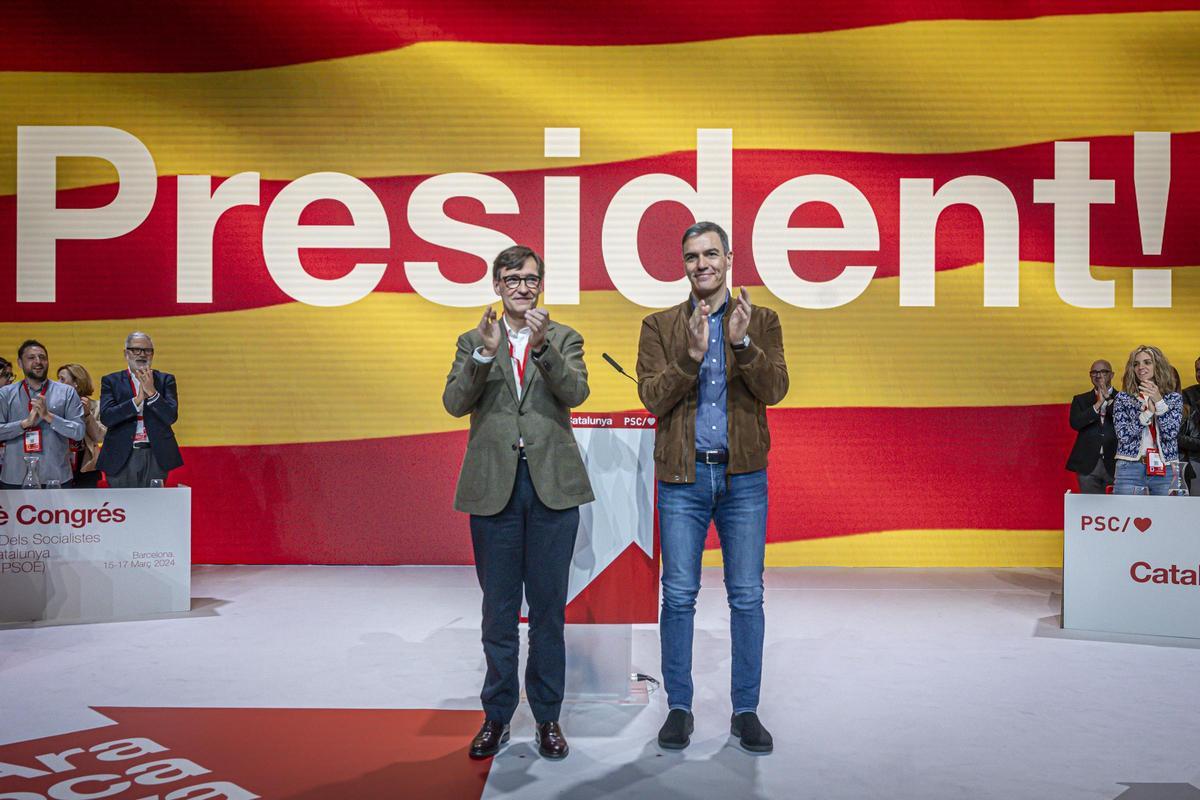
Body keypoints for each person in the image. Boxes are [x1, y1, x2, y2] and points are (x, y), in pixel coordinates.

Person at [636, 221, 789, 754]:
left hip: (744, 478)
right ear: (684, 264)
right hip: (683, 479)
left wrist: (741, 342)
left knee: (747, 597)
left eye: (710, 254)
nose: (701, 264)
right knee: (678, 597)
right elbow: (653, 398)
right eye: (691, 256)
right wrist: (692, 356)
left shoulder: (762, 320)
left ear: (728, 259)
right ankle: (679, 707)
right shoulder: (659, 326)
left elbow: (776, 389)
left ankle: (745, 711)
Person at [443, 245, 593, 761]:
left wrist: (546, 345)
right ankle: (497, 716)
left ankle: (548, 718)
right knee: (499, 612)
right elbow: (454, 403)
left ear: (541, 284)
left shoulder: (565, 337)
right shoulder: (472, 340)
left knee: (549, 612)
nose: (522, 287)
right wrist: (485, 355)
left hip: (552, 486)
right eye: (511, 278)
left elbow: (576, 392)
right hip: (494, 490)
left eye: (530, 279)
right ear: (497, 284)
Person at [97, 332, 183, 487]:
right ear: (126, 353)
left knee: (153, 506)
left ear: (153, 354)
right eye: (136, 350)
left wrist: (152, 392)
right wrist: (137, 400)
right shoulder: (111, 381)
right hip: (121, 454)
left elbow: (170, 417)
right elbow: (107, 417)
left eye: (147, 350)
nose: (142, 354)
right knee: (122, 506)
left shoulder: (165, 380)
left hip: (155, 454)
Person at [0, 340, 85, 488]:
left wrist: (49, 417)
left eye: (42, 357)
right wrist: (24, 424)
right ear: (20, 363)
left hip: (56, 477)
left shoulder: (67, 392)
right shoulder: (5, 394)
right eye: (31, 358)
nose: (38, 362)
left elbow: (78, 432)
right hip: (15, 478)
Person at [1112, 345, 1183, 495]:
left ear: (1158, 365)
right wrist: (1147, 414)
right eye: (1136, 364)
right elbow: (1123, 435)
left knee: (1167, 517)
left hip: (1166, 468)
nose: (1141, 367)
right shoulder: (1124, 398)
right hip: (1129, 468)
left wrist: (1159, 402)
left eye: (1147, 362)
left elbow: (1170, 433)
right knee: (1128, 516)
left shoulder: (1173, 399)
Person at [1065, 360, 1117, 493]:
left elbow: (1124, 421)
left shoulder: (1123, 398)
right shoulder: (1080, 400)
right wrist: (1097, 405)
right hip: (1088, 464)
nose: (1098, 375)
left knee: (1117, 509)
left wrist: (1108, 399)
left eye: (1103, 372)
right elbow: (1075, 423)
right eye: (1094, 372)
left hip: (1116, 462)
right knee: (1091, 509)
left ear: (1112, 375)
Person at [57, 364, 106, 489]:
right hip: (60, 463)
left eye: (62, 379)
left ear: (76, 383)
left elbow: (99, 437)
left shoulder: (96, 406)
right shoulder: (54, 407)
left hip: (86, 465)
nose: (57, 383)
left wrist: (87, 414)